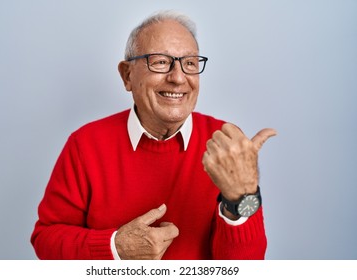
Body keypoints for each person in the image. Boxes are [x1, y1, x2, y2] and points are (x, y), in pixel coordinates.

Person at [31, 10, 276, 260]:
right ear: (127, 75)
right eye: (160, 62)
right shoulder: (85, 144)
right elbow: (46, 240)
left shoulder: (226, 144)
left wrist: (240, 201)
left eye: (190, 63)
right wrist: (115, 248)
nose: (178, 78)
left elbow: (244, 268)